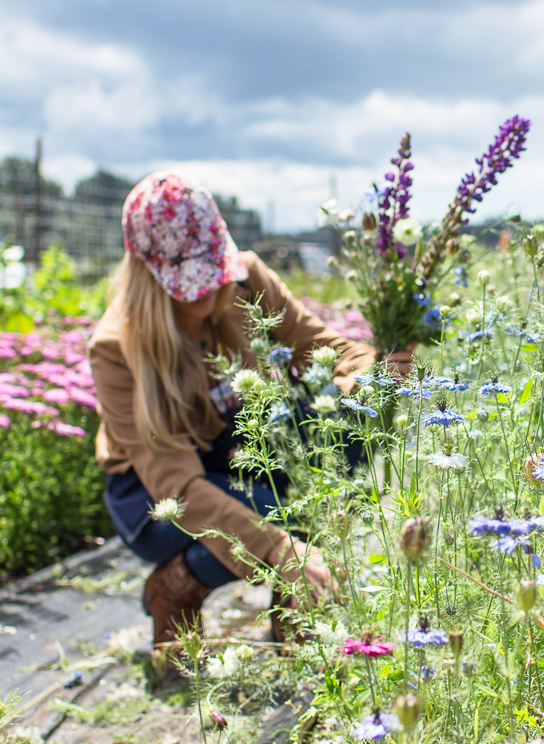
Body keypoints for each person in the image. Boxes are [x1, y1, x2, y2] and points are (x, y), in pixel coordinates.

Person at [89, 172, 375, 650]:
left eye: (209, 268)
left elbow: (328, 349)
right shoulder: (117, 347)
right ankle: (179, 585)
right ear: (145, 270)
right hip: (154, 492)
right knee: (276, 515)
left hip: (236, 448)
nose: (204, 290)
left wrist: (373, 377)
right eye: (185, 278)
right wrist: (282, 551)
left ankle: (297, 603)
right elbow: (177, 486)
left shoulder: (245, 279)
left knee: (340, 438)